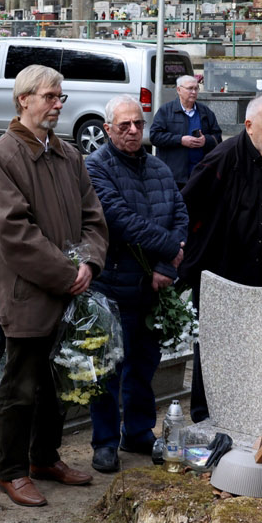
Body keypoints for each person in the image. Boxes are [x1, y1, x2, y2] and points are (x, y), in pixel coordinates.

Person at [0, 64, 108, 506]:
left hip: (69, 289)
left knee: (57, 381)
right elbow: (14, 235)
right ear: (24, 100)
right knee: (21, 386)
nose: (58, 104)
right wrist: (67, 273)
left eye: (60, 97)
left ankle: (44, 458)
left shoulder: (68, 154)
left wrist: (89, 262)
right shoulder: (3, 157)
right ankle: (12, 471)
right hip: (28, 292)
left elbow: (93, 217)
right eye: (50, 96)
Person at [85, 96, 189, 473]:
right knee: (108, 367)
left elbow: (180, 214)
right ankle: (105, 442)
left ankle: (139, 431)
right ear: (108, 129)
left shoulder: (158, 167)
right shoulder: (96, 167)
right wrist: (171, 249)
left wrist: (165, 266)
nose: (133, 131)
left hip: (152, 287)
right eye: (124, 125)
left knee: (145, 364)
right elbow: (120, 220)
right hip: (113, 285)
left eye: (138, 124)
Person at [180, 94, 262, 421]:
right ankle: (204, 415)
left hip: (258, 269)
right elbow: (186, 204)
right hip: (217, 269)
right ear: (249, 125)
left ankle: (240, 410)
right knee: (213, 343)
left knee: (250, 344)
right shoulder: (224, 157)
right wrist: (189, 254)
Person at [149, 74, 224, 187]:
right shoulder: (166, 111)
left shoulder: (205, 112)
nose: (193, 92)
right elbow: (155, 136)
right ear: (179, 90)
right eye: (190, 88)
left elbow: (218, 137)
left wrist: (206, 141)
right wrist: (180, 140)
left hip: (201, 174)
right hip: (174, 176)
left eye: (196, 88)